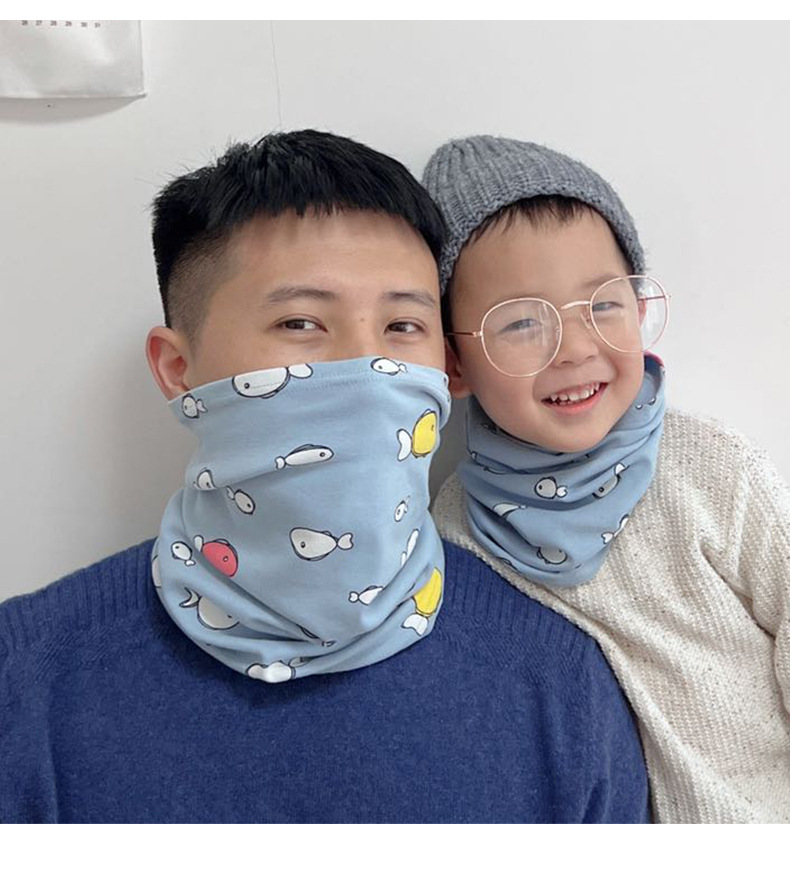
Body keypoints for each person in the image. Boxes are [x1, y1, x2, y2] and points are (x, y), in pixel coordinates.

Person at [0, 130, 649, 823]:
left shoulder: (561, 684)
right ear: (178, 369)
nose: (366, 369)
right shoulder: (27, 679)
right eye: (301, 322)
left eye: (403, 326)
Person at [422, 134, 790, 823]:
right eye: (521, 322)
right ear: (454, 365)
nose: (576, 348)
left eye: (603, 305)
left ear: (640, 310)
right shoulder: (457, 538)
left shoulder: (713, 471)